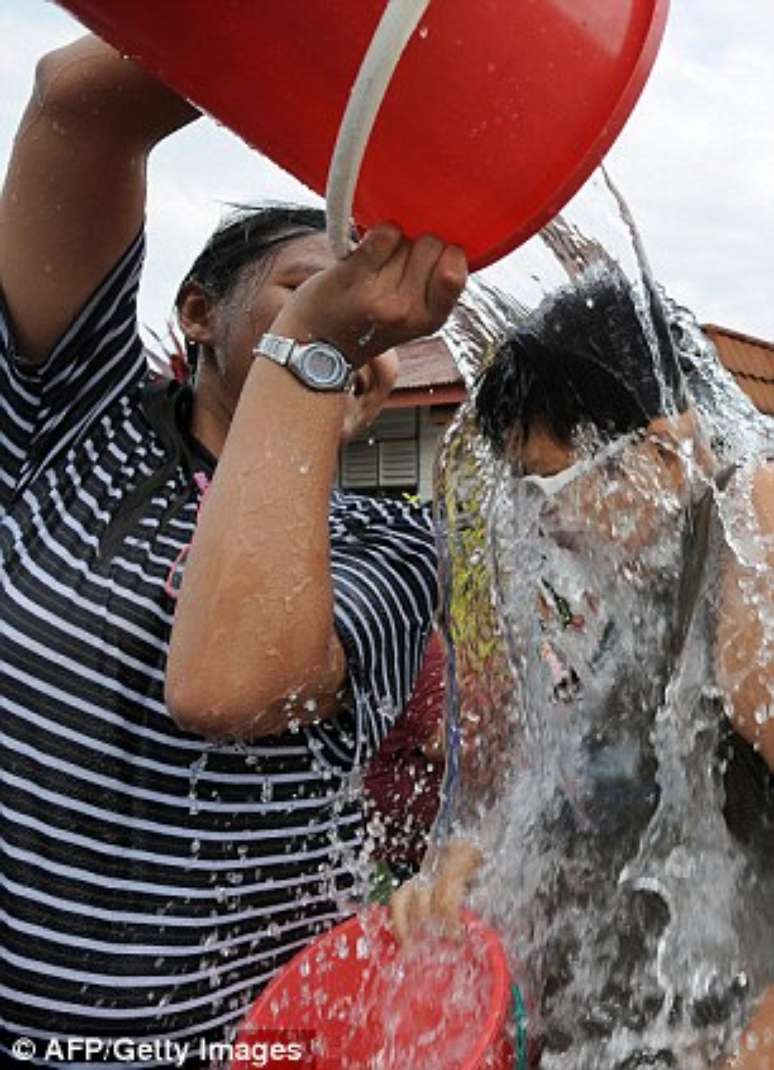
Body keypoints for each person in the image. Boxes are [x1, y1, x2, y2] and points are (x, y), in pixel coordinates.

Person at [0, 33, 466, 1066]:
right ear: (199, 314)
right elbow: (77, 106)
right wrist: (358, 31)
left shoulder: (389, 538)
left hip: (244, 1046)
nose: (335, 310)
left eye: (348, 305)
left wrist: (301, 362)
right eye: (303, 285)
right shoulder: (72, 429)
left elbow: (235, 683)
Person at [390, 266, 774, 1068]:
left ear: (667, 453)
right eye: (520, 493)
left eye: (549, 482)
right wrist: (488, 857)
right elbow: (595, 788)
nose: (543, 521)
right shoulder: (641, 595)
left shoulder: (752, 529)